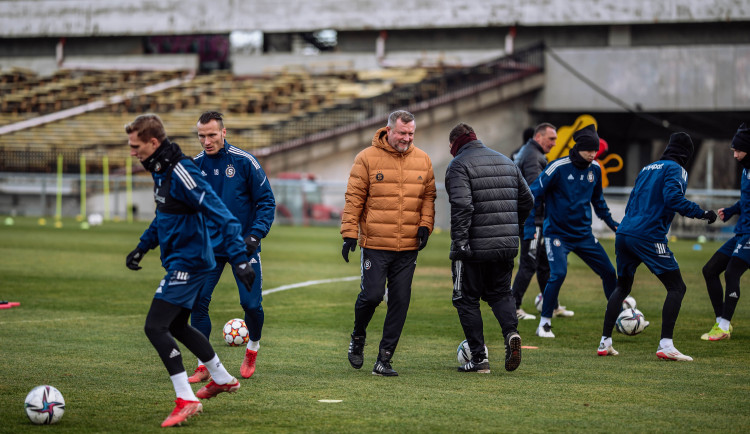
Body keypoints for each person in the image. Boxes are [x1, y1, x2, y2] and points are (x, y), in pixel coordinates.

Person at [124, 114, 253, 427]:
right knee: (179, 325)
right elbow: (164, 216)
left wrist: (238, 256)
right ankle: (222, 378)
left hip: (190, 262)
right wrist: (143, 246)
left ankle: (186, 398)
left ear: (153, 143)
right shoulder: (162, 170)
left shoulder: (181, 170)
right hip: (182, 259)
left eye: (135, 145)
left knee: (155, 327)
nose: (131, 151)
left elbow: (219, 211)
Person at [597, 132, 717, 360]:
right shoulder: (677, 169)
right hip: (648, 236)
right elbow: (673, 199)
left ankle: (605, 342)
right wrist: (702, 213)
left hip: (625, 232)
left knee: (622, 287)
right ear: (686, 154)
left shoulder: (648, 168)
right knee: (677, 287)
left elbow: (632, 200)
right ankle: (666, 345)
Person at [341, 110, 436, 376]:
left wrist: (425, 225)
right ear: (389, 130)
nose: (407, 138)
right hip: (375, 244)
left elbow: (429, 196)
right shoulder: (366, 158)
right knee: (371, 297)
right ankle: (358, 337)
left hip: (407, 248)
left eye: (411, 133)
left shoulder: (424, 160)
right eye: (402, 133)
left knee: (400, 301)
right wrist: (349, 233)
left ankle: (384, 359)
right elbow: (354, 198)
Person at [187, 111, 276, 383]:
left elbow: (266, 203)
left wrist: (255, 235)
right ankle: (204, 363)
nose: (206, 141)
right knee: (197, 303)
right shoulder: (195, 165)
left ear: (223, 133)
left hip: (242, 247)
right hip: (209, 248)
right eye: (201, 136)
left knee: (250, 305)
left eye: (212, 135)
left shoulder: (244, 161)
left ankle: (253, 347)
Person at [445, 123, 534, 373]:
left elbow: (463, 206)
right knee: (501, 293)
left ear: (455, 145)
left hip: (473, 247)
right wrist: (514, 228)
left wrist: (461, 242)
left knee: (466, 299)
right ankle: (511, 334)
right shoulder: (506, 161)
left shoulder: (459, 165)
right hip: (505, 245)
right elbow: (528, 199)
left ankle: (479, 358)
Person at [528, 124, 619, 338]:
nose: (593, 154)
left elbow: (598, 201)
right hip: (557, 234)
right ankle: (545, 323)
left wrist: (612, 223)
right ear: (579, 148)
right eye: (589, 150)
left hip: (583, 235)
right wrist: (531, 225)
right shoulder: (557, 167)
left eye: (595, 150)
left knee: (609, 272)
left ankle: (618, 315)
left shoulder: (595, 168)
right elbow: (533, 193)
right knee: (558, 274)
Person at [511, 122, 572, 320]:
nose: (554, 143)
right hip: (532, 220)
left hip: (537, 219)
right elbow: (533, 190)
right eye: (551, 139)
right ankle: (514, 306)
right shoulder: (532, 156)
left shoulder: (530, 153)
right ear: (539, 137)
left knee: (545, 264)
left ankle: (552, 305)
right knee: (529, 263)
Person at [701, 123, 750, 341]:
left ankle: (723, 325)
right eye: (733, 151)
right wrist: (731, 210)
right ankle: (722, 322)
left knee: (731, 273)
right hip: (742, 232)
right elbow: (746, 200)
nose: (735, 155)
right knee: (710, 270)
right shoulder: (747, 170)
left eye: (738, 150)